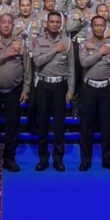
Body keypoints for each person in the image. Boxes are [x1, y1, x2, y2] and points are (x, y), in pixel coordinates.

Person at [0, 13, 30, 173]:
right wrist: (6, 54)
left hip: (14, 91)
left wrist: (26, 88)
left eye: (10, 22)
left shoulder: (21, 43)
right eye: (4, 22)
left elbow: (27, 67)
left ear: (13, 25)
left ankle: (9, 158)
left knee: (12, 127)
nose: (7, 25)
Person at [31, 11, 75, 171]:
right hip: (43, 85)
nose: (55, 24)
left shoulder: (67, 42)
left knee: (59, 124)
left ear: (61, 24)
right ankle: (43, 158)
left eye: (58, 22)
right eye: (52, 22)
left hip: (60, 86)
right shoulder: (38, 40)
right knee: (42, 123)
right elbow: (37, 61)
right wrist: (54, 50)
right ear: (46, 23)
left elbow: (71, 67)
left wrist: (71, 89)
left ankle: (58, 158)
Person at [78, 15, 110, 171]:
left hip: (107, 88)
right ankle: (85, 160)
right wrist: (100, 52)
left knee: (107, 126)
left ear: (105, 27)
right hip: (89, 88)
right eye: (96, 25)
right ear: (91, 27)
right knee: (86, 126)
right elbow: (84, 63)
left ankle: (108, 160)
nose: (98, 28)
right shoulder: (84, 44)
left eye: (101, 25)